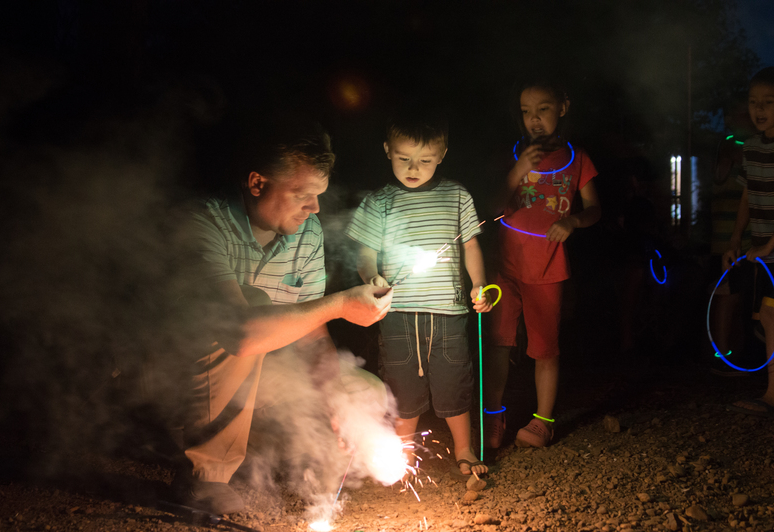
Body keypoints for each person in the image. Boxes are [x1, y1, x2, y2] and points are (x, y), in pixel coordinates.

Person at [175, 118, 393, 514]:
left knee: (361, 392)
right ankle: (206, 477)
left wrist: (336, 397)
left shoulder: (305, 232)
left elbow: (311, 334)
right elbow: (239, 335)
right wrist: (343, 303)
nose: (315, 208)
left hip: (253, 371)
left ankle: (303, 478)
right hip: (172, 371)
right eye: (302, 194)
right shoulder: (203, 223)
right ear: (258, 184)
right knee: (252, 317)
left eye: (319, 195)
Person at [345, 110, 493, 479]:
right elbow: (364, 251)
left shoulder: (456, 195)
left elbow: (471, 245)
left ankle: (463, 447)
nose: (413, 168)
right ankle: (402, 454)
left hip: (448, 311)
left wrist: (478, 284)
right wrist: (371, 276)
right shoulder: (378, 202)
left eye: (425, 160)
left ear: (441, 155)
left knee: (453, 381)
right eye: (403, 158)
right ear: (387, 150)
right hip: (397, 313)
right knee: (402, 385)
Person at [483, 78, 601, 449]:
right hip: (506, 264)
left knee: (544, 348)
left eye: (543, 110)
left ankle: (543, 421)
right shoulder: (513, 153)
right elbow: (492, 206)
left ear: (563, 108)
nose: (533, 119)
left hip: (548, 267)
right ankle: (492, 417)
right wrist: (518, 170)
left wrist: (573, 221)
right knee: (498, 343)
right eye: (526, 112)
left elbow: (595, 208)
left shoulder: (577, 158)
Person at [723, 66, 774, 417]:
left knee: (770, 316)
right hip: (761, 251)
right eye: (754, 102)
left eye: (769, 102)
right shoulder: (752, 148)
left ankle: (772, 396)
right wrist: (735, 238)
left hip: (770, 249)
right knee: (768, 318)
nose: (760, 109)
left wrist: (771, 245)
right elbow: (748, 195)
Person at [708, 101, 754, 377]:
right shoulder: (730, 145)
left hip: (743, 239)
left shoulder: (742, 145)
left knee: (737, 296)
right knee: (727, 296)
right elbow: (723, 177)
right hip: (729, 240)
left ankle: (731, 352)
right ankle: (721, 355)